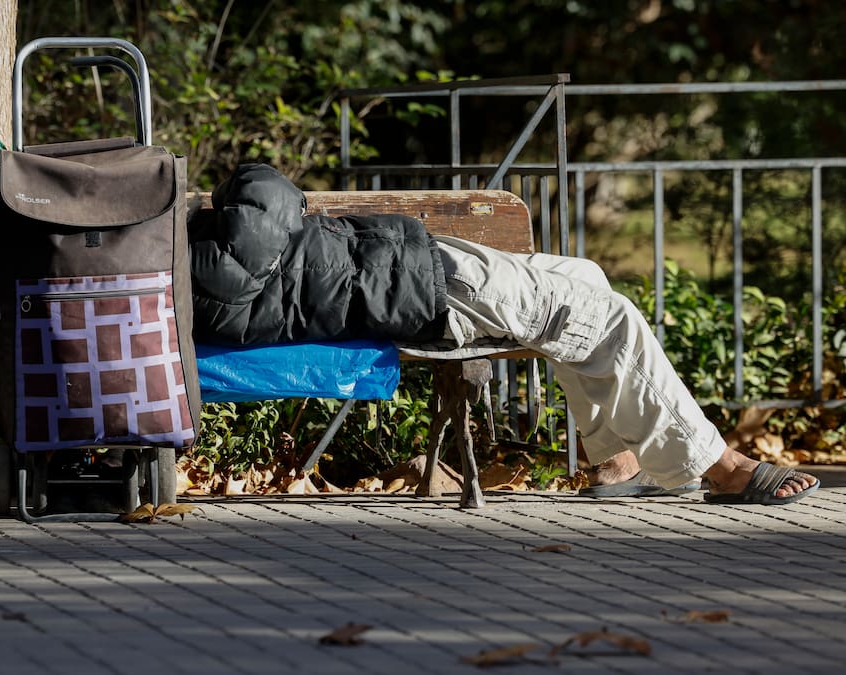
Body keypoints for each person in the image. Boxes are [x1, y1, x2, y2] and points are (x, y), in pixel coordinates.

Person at [189, 163, 819, 505]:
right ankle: (719, 467)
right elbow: (266, 188)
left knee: (585, 277)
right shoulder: (211, 269)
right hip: (432, 290)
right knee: (611, 318)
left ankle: (613, 462)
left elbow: (269, 211)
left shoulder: (199, 261)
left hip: (418, 270)